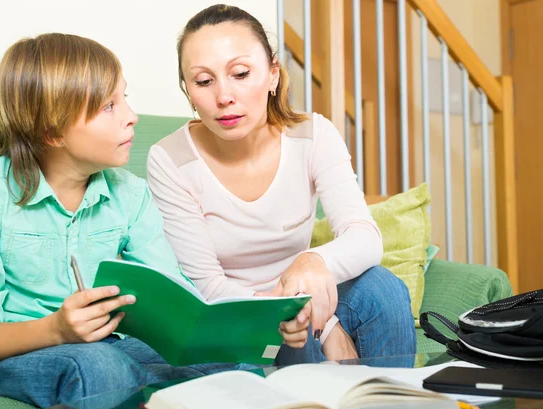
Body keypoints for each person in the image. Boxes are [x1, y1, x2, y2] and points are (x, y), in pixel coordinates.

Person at [0, 33, 248, 409]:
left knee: (237, 365)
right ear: (52, 131)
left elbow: (176, 302)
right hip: (5, 355)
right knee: (98, 366)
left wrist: (235, 329)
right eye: (109, 106)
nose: (131, 116)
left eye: (125, 98)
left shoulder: (130, 194)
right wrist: (55, 329)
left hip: (107, 346)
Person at [147, 4, 416, 365]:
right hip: (239, 316)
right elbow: (207, 287)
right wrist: (319, 320)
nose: (224, 96)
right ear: (188, 91)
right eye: (204, 81)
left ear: (273, 75)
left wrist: (311, 261)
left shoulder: (313, 134)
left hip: (308, 299)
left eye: (240, 73)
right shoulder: (170, 159)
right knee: (295, 332)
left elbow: (364, 237)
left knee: (383, 288)